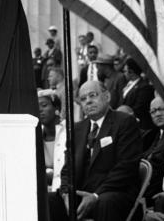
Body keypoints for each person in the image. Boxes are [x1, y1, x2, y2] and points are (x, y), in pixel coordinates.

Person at [49, 80, 142, 221]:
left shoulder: (124, 122)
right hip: (82, 192)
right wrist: (66, 194)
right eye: (83, 99)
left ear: (107, 97)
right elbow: (67, 169)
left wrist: (95, 195)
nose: (88, 101)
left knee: (104, 202)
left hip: (114, 191)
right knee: (49, 201)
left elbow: (126, 168)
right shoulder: (76, 129)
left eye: (93, 95)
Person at [38, 90, 66, 191]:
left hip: (63, 189)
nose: (40, 110)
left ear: (56, 108)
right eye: (37, 107)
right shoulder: (35, 133)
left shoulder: (70, 131)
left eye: (44, 105)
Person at [121, 58, 155, 130]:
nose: (124, 74)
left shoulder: (144, 87)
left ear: (131, 72)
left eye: (125, 71)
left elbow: (139, 108)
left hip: (139, 124)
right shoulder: (128, 84)